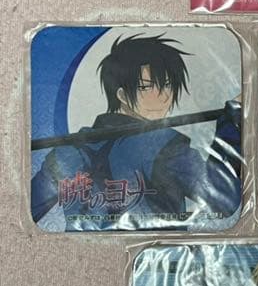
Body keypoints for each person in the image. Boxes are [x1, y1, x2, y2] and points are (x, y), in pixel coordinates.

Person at [31, 34, 242, 230]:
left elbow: (22, 211)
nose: (163, 96)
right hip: (157, 256)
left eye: (167, 85)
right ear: (122, 95)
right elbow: (223, 198)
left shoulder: (67, 150)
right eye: (146, 87)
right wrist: (231, 123)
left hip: (82, 255)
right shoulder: (164, 145)